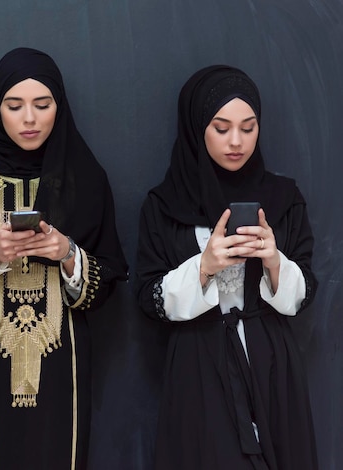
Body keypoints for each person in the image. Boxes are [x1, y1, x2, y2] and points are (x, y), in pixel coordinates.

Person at [0, 47, 128, 469]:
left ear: (60, 107)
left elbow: (110, 279)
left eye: (43, 104)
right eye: (14, 105)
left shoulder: (85, 179)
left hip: (62, 361)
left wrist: (68, 253)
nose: (30, 119)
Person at [135, 65, 318, 469]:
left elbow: (305, 292)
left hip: (272, 359)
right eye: (221, 128)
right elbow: (147, 297)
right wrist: (204, 267)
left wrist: (273, 260)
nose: (236, 142)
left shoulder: (284, 198)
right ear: (197, 127)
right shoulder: (165, 205)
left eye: (248, 127)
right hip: (198, 360)